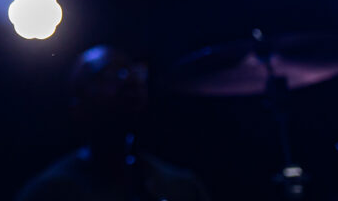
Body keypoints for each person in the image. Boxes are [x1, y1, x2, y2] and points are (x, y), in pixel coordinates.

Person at [14, 45, 211, 201]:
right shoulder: (50, 192)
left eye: (130, 72)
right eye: (108, 75)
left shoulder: (181, 186)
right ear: (79, 106)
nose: (128, 81)